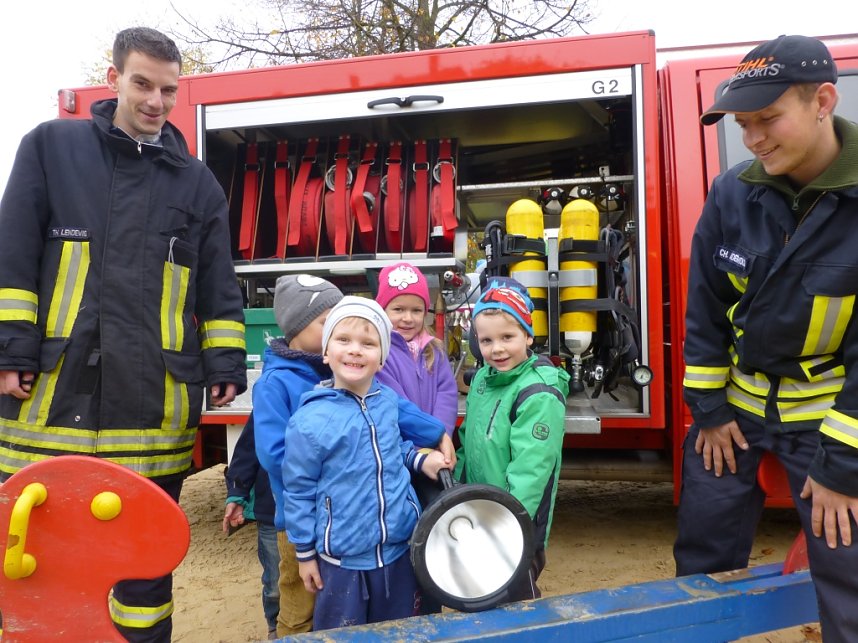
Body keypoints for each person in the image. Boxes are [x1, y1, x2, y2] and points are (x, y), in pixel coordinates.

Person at [0, 27, 247, 641]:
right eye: (142, 84)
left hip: (152, 405)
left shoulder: (197, 184)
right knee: (36, 566)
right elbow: (13, 258)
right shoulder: (51, 148)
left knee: (142, 573)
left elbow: (218, 286)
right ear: (112, 79)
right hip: (48, 402)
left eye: (168, 89)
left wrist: (223, 364)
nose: (156, 102)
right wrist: (11, 348)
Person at [675, 34, 858, 642]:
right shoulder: (733, 191)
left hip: (833, 423)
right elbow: (704, 306)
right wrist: (708, 409)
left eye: (767, 119)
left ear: (823, 100)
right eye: (742, 123)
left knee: (847, 572)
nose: (752, 139)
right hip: (734, 415)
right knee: (700, 566)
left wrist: (841, 467)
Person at [253, 275, 453, 636]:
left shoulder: (384, 400)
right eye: (342, 338)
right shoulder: (309, 416)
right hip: (340, 554)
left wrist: (422, 457)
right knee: (334, 626)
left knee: (399, 627)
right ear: (327, 352)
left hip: (396, 547)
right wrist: (305, 550)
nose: (356, 349)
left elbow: (391, 445)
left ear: (382, 358)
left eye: (368, 343)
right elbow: (295, 482)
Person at [454, 277, 570, 602]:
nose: (498, 348)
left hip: (515, 522)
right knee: (480, 590)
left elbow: (530, 472)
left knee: (514, 596)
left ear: (528, 335)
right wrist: (458, 491)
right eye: (487, 340)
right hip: (480, 510)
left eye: (508, 337)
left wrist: (505, 522)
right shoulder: (482, 380)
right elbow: (468, 440)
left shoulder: (538, 393)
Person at [375, 261, 459, 438]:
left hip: (436, 444)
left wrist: (442, 436)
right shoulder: (379, 353)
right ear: (383, 311)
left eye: (416, 310)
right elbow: (395, 404)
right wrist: (430, 436)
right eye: (398, 309)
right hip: (399, 447)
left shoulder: (434, 350)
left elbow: (447, 396)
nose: (408, 318)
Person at [222, 414, 279, 639]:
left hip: (321, 510)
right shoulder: (273, 390)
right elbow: (248, 450)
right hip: (272, 510)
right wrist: (237, 494)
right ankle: (275, 626)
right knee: (276, 581)